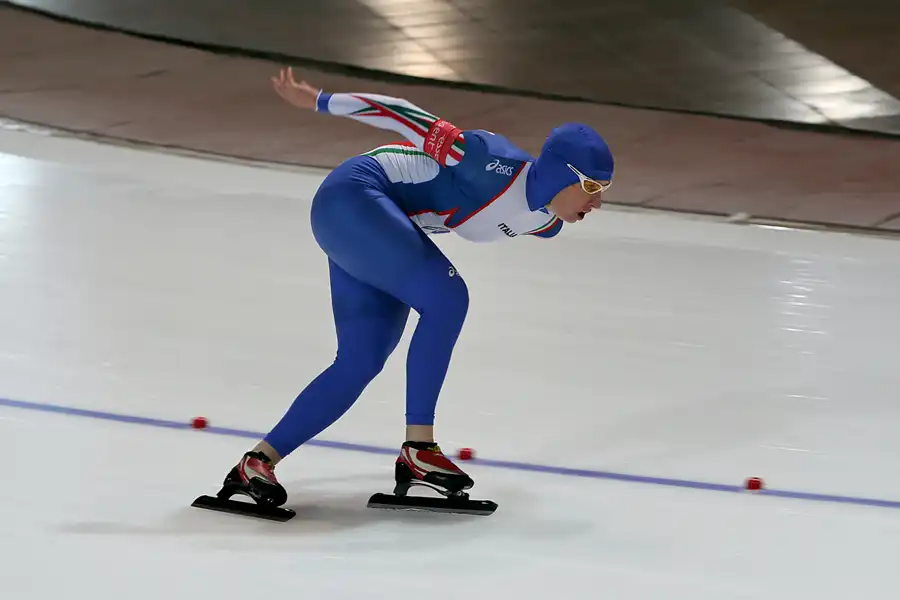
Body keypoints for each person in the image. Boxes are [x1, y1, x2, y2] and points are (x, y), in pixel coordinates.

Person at [214, 67, 613, 513]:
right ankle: (420, 449)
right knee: (448, 298)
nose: (597, 201)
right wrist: (320, 100)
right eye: (591, 186)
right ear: (559, 174)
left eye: (604, 190)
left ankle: (257, 462)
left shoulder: (547, 222)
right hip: (355, 195)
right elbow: (402, 114)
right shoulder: (487, 162)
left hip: (373, 226)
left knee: (360, 361)